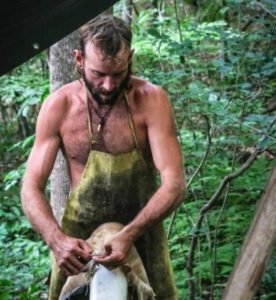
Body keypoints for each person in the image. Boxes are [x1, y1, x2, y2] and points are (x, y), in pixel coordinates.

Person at [21, 15, 186, 300]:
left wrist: (130, 234)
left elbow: (174, 184)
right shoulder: (58, 106)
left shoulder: (151, 101)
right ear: (79, 59)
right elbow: (30, 186)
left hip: (144, 233)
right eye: (99, 74)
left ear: (130, 57)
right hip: (77, 242)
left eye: (118, 73)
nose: (108, 85)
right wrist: (56, 240)